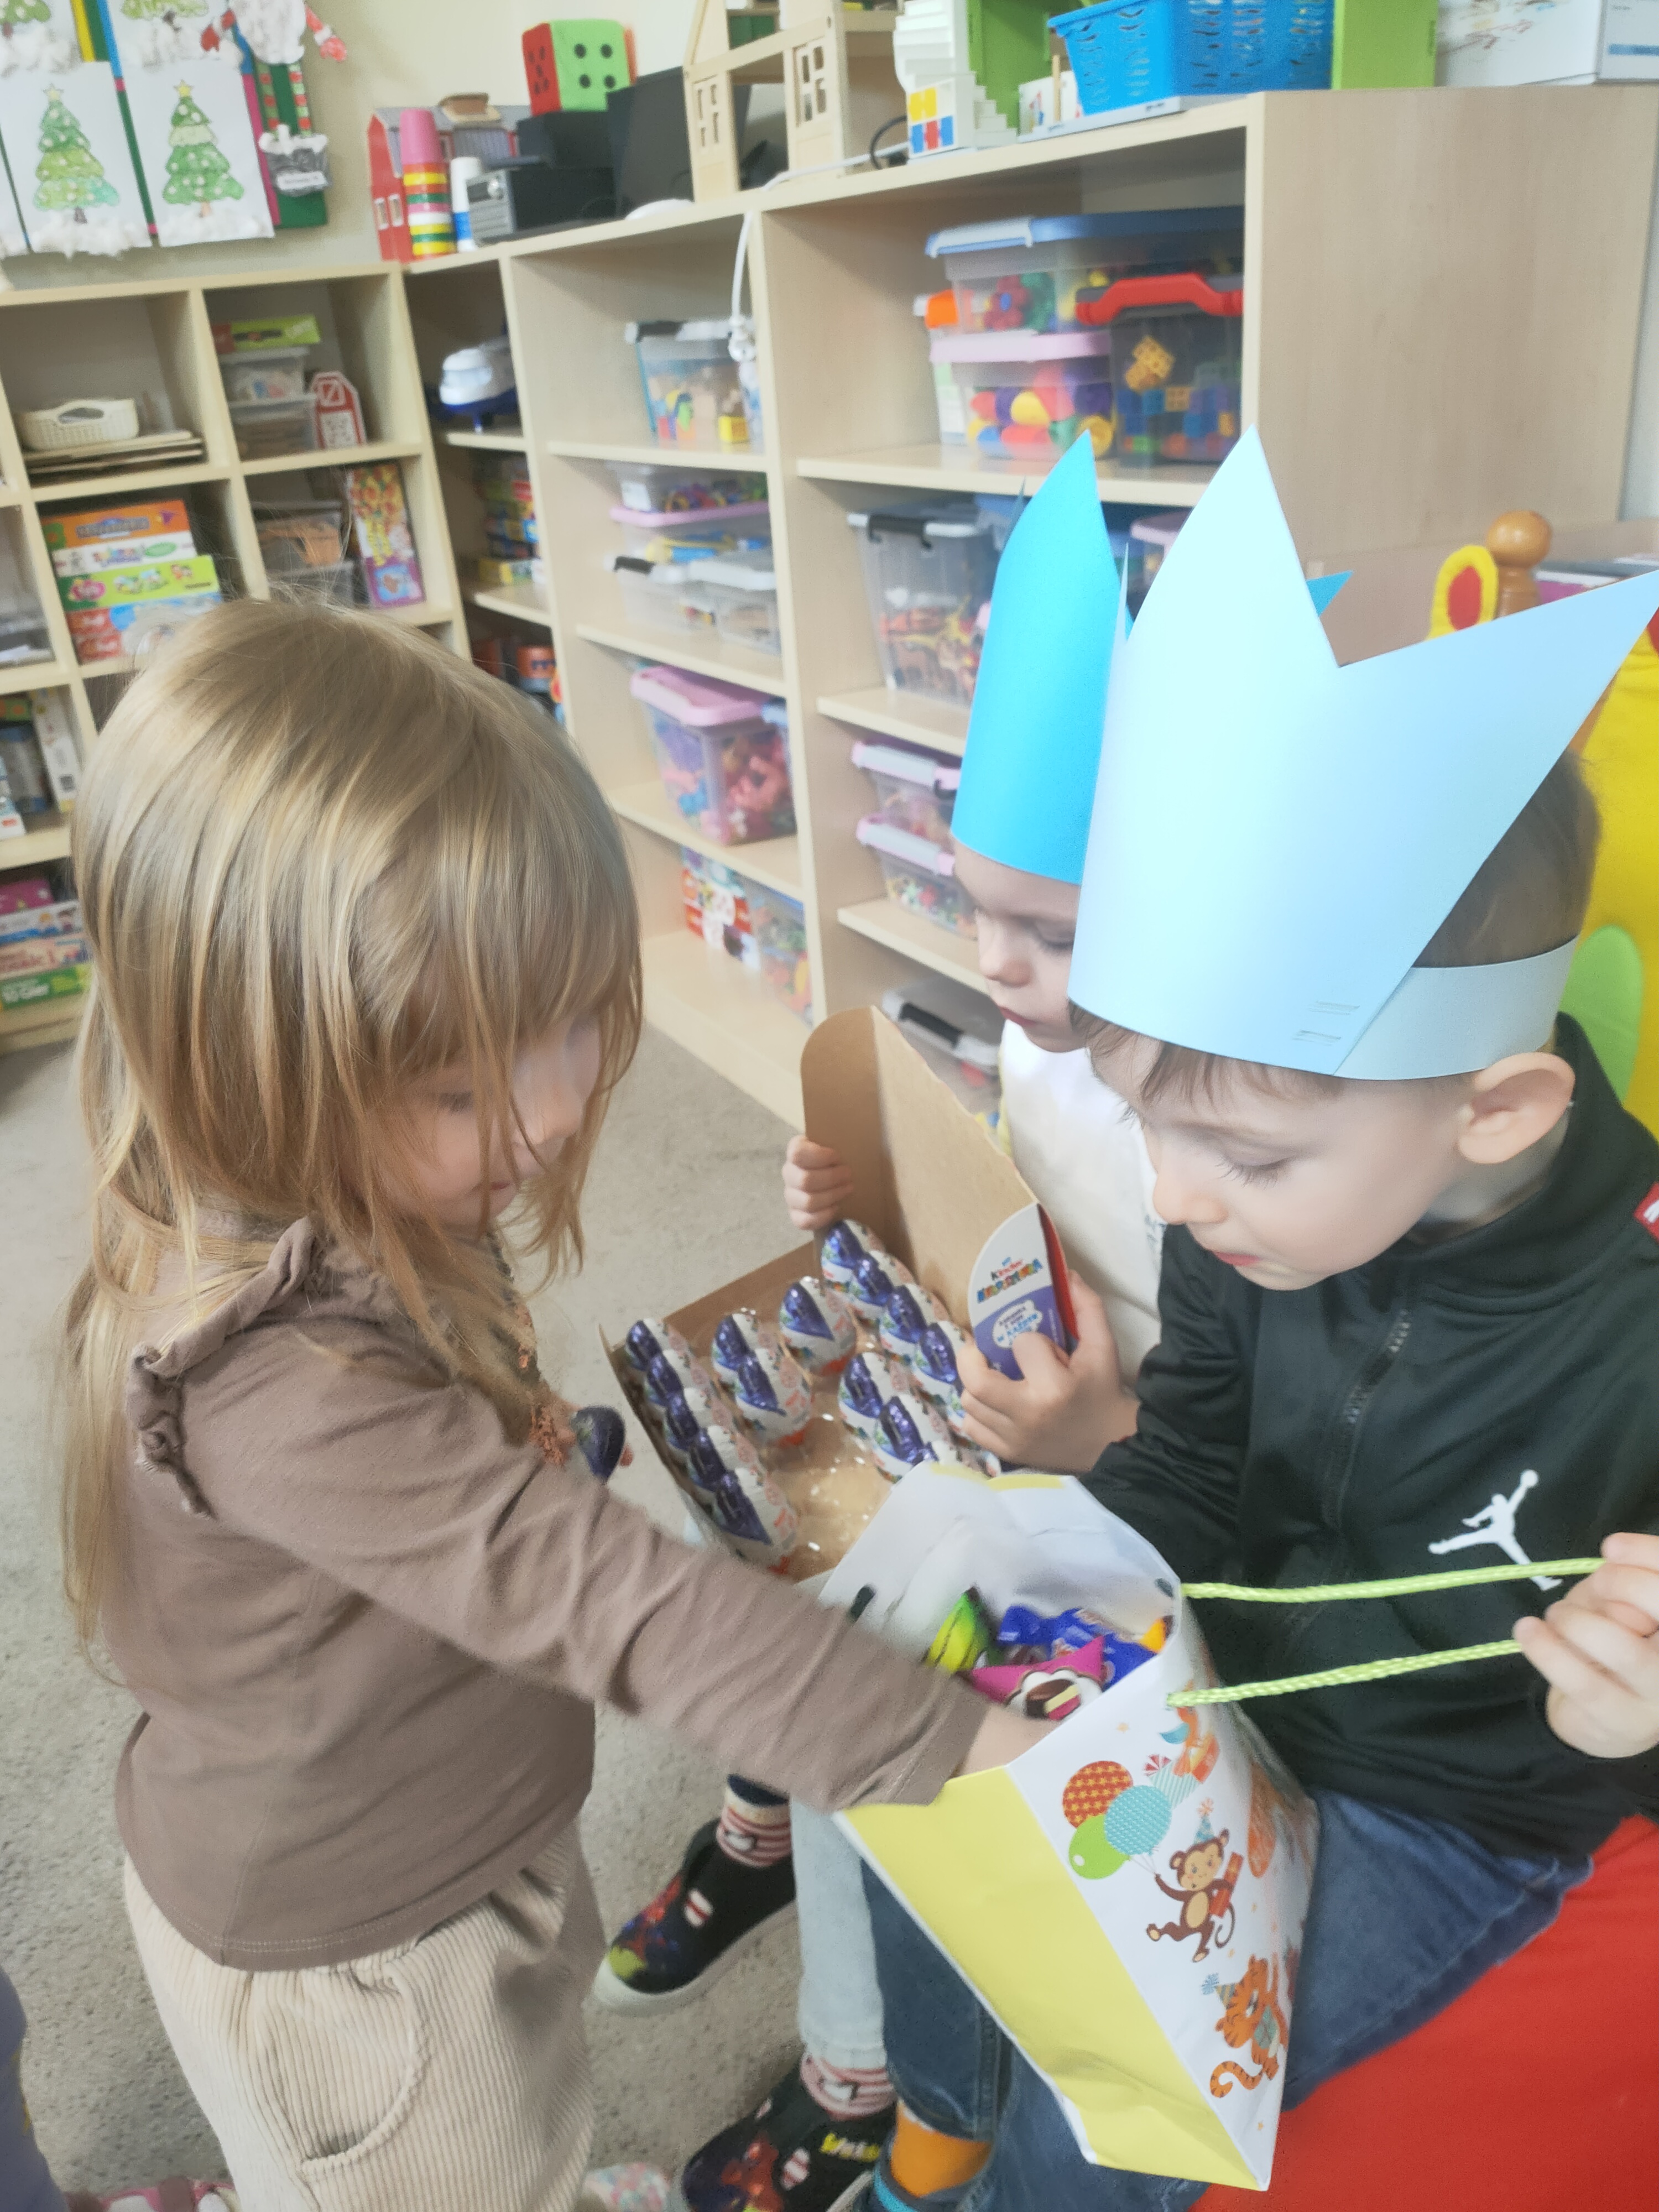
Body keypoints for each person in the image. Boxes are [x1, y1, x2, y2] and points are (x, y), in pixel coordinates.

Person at [58, 601, 1042, 2212]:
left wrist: (518, 1448)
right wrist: (961, 1744)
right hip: (365, 1968)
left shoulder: (320, 1178)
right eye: (461, 1086)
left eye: (571, 1022)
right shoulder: (278, 1383)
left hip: (448, 1838)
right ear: (246, 1065)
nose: (562, 1106)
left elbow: (444, 1506)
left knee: (527, 2124)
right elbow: (619, 1604)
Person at [860, 432, 1659, 2210]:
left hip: (1450, 1810)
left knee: (1122, 2098)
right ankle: (925, 2132)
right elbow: (1197, 1456)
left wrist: (1645, 1719)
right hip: (1221, 1670)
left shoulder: (1639, 1329)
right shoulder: (1242, 1210)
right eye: (1152, 1125)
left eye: (1245, 1154)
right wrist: (1063, 1572)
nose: (1178, 1195)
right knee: (909, 1756)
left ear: (1497, 1112)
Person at [598, 442, 1155, 2212]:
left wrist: (1093, 1438)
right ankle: (761, 1819)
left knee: (866, 1682)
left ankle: (858, 2070)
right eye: (978, 911)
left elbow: (1226, 1423)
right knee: (765, 1510)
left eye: (1044, 931)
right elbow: (995, 1223)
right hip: (992, 1420)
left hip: (1106, 1509)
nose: (995, 963)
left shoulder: (1211, 1120)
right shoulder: (1054, 1044)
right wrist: (857, 1213)